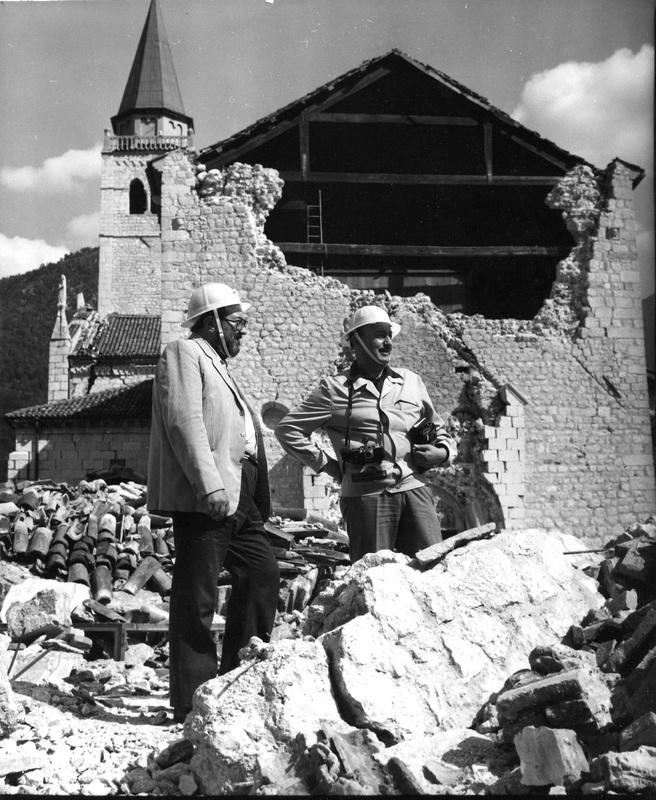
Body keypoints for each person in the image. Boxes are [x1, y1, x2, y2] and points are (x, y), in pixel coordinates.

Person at [147, 282, 280, 723]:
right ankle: (190, 700)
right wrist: (208, 486)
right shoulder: (184, 353)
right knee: (197, 595)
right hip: (212, 495)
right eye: (237, 323)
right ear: (212, 322)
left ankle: (235, 680)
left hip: (243, 494)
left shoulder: (220, 365)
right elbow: (185, 423)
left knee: (262, 575)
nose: (243, 332)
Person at [275, 305, 456, 562]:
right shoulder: (334, 389)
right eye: (380, 334)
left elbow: (436, 428)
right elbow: (288, 430)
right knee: (372, 573)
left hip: (415, 488)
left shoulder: (411, 381)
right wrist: (329, 465)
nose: (388, 342)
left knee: (433, 565)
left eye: (389, 335)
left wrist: (442, 452)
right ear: (356, 341)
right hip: (366, 497)